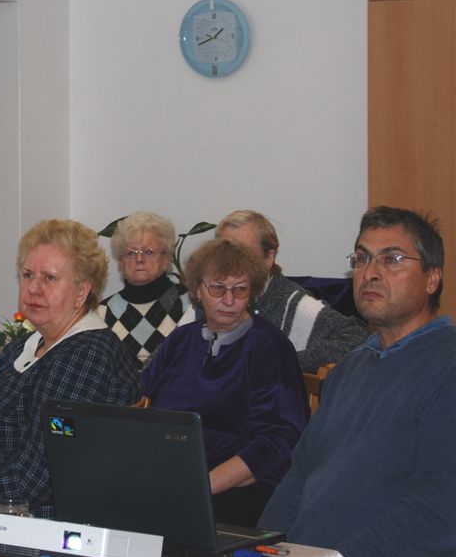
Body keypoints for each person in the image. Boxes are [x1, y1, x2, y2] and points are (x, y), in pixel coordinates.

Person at [260, 207, 455, 557]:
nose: (371, 272)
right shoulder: (350, 368)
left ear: (432, 278)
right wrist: (265, 556)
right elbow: (300, 475)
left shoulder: (447, 366)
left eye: (392, 259)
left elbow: (438, 509)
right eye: (362, 258)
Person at [0, 219, 139, 551]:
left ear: (82, 292)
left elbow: (31, 478)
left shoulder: (86, 355)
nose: (34, 288)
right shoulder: (24, 346)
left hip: (30, 528)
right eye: (28, 275)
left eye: (49, 278)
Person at [139, 238, 308, 527]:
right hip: (172, 478)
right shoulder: (182, 340)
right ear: (197, 291)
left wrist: (199, 488)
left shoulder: (268, 346)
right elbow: (142, 402)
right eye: (218, 288)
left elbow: (277, 442)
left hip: (239, 488)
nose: (229, 300)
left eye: (240, 290)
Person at [216, 209, 369, 372]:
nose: (231, 262)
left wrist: (279, 360)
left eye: (243, 253)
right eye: (223, 253)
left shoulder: (293, 304)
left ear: (269, 258)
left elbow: (357, 339)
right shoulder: (210, 296)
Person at [99, 211, 192, 369]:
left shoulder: (188, 304)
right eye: (131, 253)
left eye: (148, 252)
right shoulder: (103, 312)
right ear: (121, 262)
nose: (139, 259)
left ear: (165, 259)